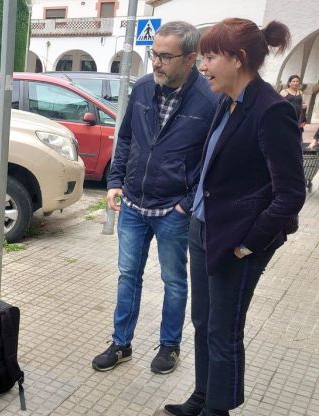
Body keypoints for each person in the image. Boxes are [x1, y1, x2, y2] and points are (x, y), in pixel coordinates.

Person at [164, 18, 306, 416]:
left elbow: (291, 193)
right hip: (203, 228)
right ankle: (202, 397)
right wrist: (191, 201)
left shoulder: (271, 110)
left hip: (237, 239)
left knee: (224, 330)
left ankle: (217, 409)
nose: (202, 65)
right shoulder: (226, 102)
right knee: (203, 321)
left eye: (209, 56)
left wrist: (250, 243)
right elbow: (212, 165)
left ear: (238, 59)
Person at [93, 21, 219, 374]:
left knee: (174, 281)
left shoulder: (209, 100)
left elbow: (212, 160)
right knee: (127, 275)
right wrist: (116, 180)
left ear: (191, 58)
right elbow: (127, 138)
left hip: (173, 210)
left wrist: (187, 202)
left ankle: (169, 346)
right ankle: (121, 343)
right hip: (133, 203)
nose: (156, 63)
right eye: (153, 54)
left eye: (165, 56)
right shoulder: (144, 88)